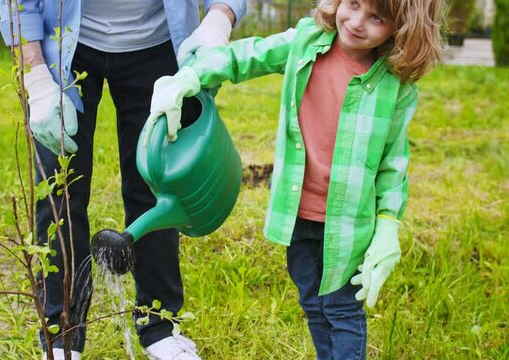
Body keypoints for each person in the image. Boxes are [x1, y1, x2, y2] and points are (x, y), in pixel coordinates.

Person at [147, 0, 443, 358]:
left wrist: (387, 226)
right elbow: (246, 57)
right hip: (298, 213)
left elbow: (393, 164)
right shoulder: (306, 41)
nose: (357, 22)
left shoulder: (395, 86)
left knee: (342, 310)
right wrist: (190, 77)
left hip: (349, 225)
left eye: (377, 17)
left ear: (403, 28)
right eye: (354, 4)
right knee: (312, 301)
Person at [0, 1, 247, 359]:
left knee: (156, 182)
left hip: (158, 45)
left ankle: (159, 325)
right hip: (65, 45)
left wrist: (218, 22)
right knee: (60, 188)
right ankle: (62, 334)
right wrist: (36, 77)